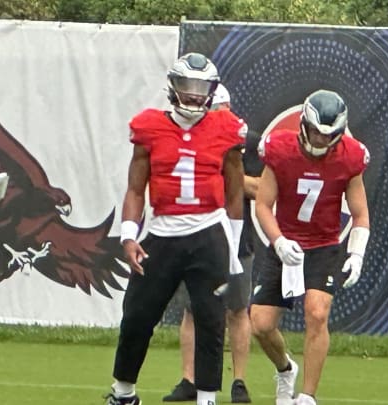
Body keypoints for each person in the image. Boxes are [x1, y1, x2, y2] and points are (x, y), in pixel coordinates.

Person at [105, 53, 247, 405]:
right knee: (137, 314)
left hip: (208, 231)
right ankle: (124, 392)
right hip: (163, 231)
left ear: (213, 91)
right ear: (173, 86)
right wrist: (127, 235)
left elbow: (234, 191)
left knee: (211, 319)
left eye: (202, 88)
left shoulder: (226, 130)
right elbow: (136, 188)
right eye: (188, 86)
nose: (195, 95)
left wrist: (232, 245)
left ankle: (207, 398)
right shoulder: (149, 127)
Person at [250, 89, 370, 405]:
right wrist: (278, 241)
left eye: (326, 134)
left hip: (323, 245)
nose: (318, 139)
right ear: (304, 124)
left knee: (317, 313)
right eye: (315, 131)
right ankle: (285, 368)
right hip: (286, 243)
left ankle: (306, 395)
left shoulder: (350, 156)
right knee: (260, 325)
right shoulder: (280, 149)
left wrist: (356, 252)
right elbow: (263, 204)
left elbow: (360, 213)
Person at [162, 84, 262, 404]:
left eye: (221, 110)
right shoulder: (191, 139)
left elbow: (261, 188)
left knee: (236, 309)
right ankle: (189, 378)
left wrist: (224, 171)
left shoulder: (248, 141)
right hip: (198, 235)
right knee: (193, 310)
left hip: (236, 238)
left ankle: (239, 381)